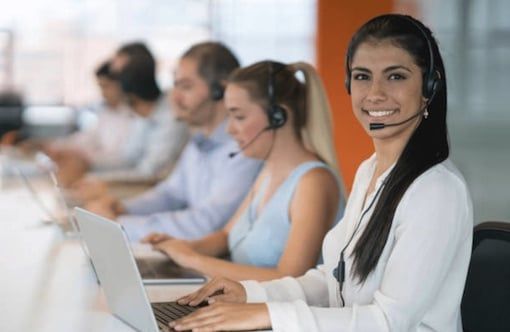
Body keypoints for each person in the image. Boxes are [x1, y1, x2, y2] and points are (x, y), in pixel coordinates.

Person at [167, 14, 474, 332]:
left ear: (429, 86)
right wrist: (251, 294)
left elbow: (388, 321)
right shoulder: (370, 172)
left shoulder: (436, 190)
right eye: (362, 76)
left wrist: (270, 315)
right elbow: (333, 280)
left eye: (395, 76)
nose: (375, 93)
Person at [144, 60, 345, 281]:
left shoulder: (313, 182)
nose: (230, 129)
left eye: (239, 117)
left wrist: (193, 260)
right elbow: (227, 235)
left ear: (278, 117)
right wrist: (180, 247)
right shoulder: (267, 172)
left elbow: (289, 279)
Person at [87, 42, 262, 241]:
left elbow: (208, 223)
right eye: (175, 85)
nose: (174, 97)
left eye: (186, 87)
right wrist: (124, 207)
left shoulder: (244, 147)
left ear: (220, 91)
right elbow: (171, 193)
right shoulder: (198, 141)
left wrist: (120, 225)